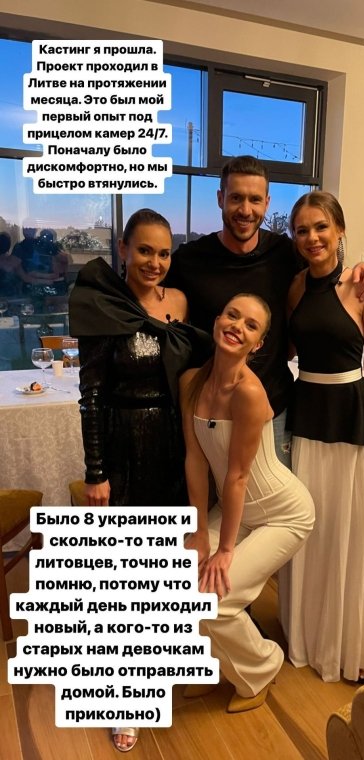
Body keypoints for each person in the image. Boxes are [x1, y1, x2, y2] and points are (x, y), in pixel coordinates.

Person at [69, 209, 211, 752]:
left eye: (164, 252)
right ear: (123, 249)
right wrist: (96, 473)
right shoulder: (103, 305)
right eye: (145, 250)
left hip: (173, 448)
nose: (155, 262)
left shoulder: (180, 303)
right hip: (124, 446)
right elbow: (90, 396)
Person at [166, 155, 364, 467]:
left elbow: (324, 268)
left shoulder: (284, 254)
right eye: (236, 198)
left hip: (274, 410)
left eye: (255, 199)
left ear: (267, 203)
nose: (246, 210)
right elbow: (153, 295)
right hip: (211, 411)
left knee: (277, 497)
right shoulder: (190, 260)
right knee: (217, 495)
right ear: (220, 198)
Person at [278, 191, 364, 683]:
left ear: (340, 230)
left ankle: (351, 642)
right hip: (308, 416)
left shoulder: (363, 287)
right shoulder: (295, 288)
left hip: (353, 418)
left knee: (353, 530)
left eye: (321, 227)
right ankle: (310, 635)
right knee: (313, 529)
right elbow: (287, 349)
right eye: (302, 230)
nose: (312, 238)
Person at [179, 293, 315, 713]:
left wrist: (223, 550)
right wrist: (198, 530)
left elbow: (238, 476)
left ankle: (262, 667)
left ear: (258, 344)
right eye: (232, 315)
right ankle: (214, 668)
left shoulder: (249, 393)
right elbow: (195, 460)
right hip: (237, 511)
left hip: (282, 513)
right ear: (218, 320)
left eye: (251, 325)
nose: (238, 326)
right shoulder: (191, 382)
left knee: (215, 599)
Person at [0, 231, 58, 298]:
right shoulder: (14, 261)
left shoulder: (14, 260)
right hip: (13, 297)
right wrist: (47, 280)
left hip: (12, 296)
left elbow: (26, 277)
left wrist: (47, 279)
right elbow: (26, 278)